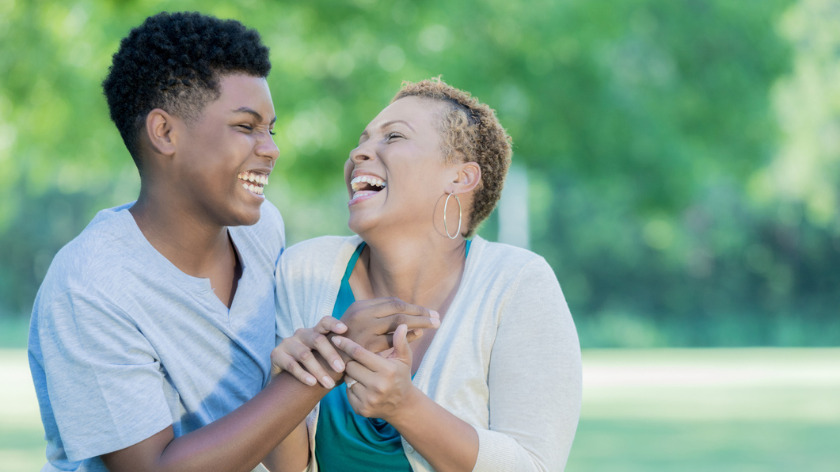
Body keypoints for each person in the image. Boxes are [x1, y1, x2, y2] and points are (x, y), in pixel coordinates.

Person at [27, 12, 438, 472]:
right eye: (246, 127)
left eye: (271, 129)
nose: (271, 148)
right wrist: (327, 363)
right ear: (165, 133)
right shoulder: (90, 285)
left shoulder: (262, 230)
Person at [273, 78, 582, 471]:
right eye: (362, 139)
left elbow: (535, 466)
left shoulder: (517, 283)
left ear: (460, 177)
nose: (359, 152)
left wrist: (406, 408)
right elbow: (288, 466)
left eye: (394, 137)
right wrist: (287, 383)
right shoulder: (305, 270)